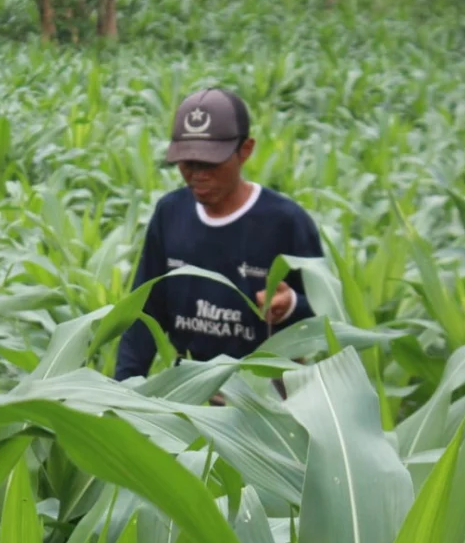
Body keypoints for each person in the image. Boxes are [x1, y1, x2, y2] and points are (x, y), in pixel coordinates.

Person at [113, 87, 324, 382]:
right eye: (187, 163)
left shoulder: (285, 221)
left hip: (269, 400)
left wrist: (291, 306)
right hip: (189, 390)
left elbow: (326, 313)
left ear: (246, 150)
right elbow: (144, 314)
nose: (198, 174)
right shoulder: (170, 213)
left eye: (211, 163)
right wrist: (121, 393)